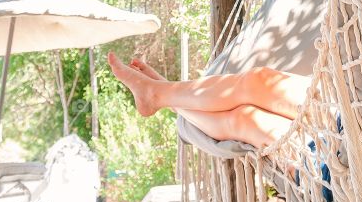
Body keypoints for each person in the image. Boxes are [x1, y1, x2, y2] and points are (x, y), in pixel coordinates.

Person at [107, 54, 310, 149]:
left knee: (254, 94)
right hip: (334, 132)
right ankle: (160, 95)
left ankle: (159, 94)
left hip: (326, 162)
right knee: (245, 113)